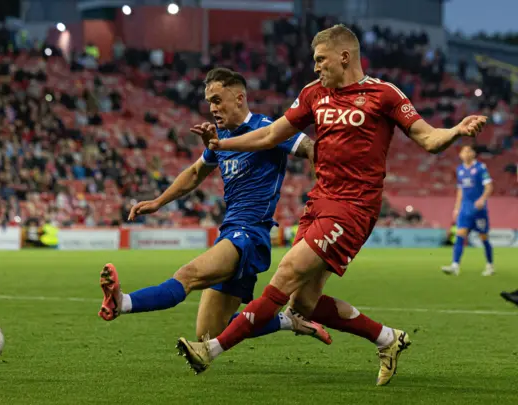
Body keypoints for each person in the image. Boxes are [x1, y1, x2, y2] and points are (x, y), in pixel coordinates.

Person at [176, 24, 487, 386]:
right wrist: (220, 146)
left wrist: (455, 131)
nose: (316, 67)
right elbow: (270, 134)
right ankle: (388, 339)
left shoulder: (383, 94)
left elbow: (428, 138)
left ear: (344, 56)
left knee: (288, 270)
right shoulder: (313, 94)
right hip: (320, 202)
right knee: (303, 304)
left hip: (355, 206)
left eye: (320, 59)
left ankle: (210, 350)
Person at [98, 67, 330, 345]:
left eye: (217, 100)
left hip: (250, 234)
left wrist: (322, 197)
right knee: (210, 332)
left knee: (188, 275)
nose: (212, 108)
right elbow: (196, 172)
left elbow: (312, 148)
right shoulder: (220, 139)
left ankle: (122, 302)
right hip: (231, 231)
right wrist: (159, 202)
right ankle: (287, 320)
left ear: (239, 98)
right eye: (209, 101)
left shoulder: (267, 128)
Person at [441, 145, 494, 276]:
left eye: (468, 151)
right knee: (459, 235)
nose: (466, 153)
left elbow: (489, 187)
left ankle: (490, 265)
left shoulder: (481, 168)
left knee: (484, 237)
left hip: (478, 209)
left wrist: (482, 199)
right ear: (460, 155)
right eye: (463, 151)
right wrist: (456, 207)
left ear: (473, 153)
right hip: (465, 209)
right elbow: (460, 190)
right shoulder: (460, 170)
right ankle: (455, 265)